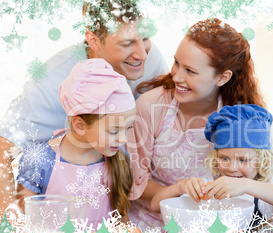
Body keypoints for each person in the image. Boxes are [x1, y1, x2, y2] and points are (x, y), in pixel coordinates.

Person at [0, 0, 168, 218]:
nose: (142, 54)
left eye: (145, 38)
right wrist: (13, 224)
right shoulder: (46, 88)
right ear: (93, 40)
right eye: (127, 44)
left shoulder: (149, 59)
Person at [127, 18, 272, 230]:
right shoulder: (150, 106)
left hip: (211, 229)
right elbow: (134, 181)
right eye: (177, 63)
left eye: (190, 71)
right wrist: (180, 189)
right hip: (150, 225)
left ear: (222, 77)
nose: (176, 76)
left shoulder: (241, 117)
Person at [16, 58, 136, 229]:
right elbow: (23, 225)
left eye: (128, 128)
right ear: (80, 126)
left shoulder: (119, 158)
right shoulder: (39, 161)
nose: (123, 139)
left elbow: (121, 222)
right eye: (114, 131)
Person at [150, 105, 273, 227]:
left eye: (243, 160)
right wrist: (180, 187)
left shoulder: (267, 186)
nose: (232, 168)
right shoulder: (210, 183)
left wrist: (246, 185)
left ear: (261, 160)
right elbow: (155, 206)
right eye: (224, 158)